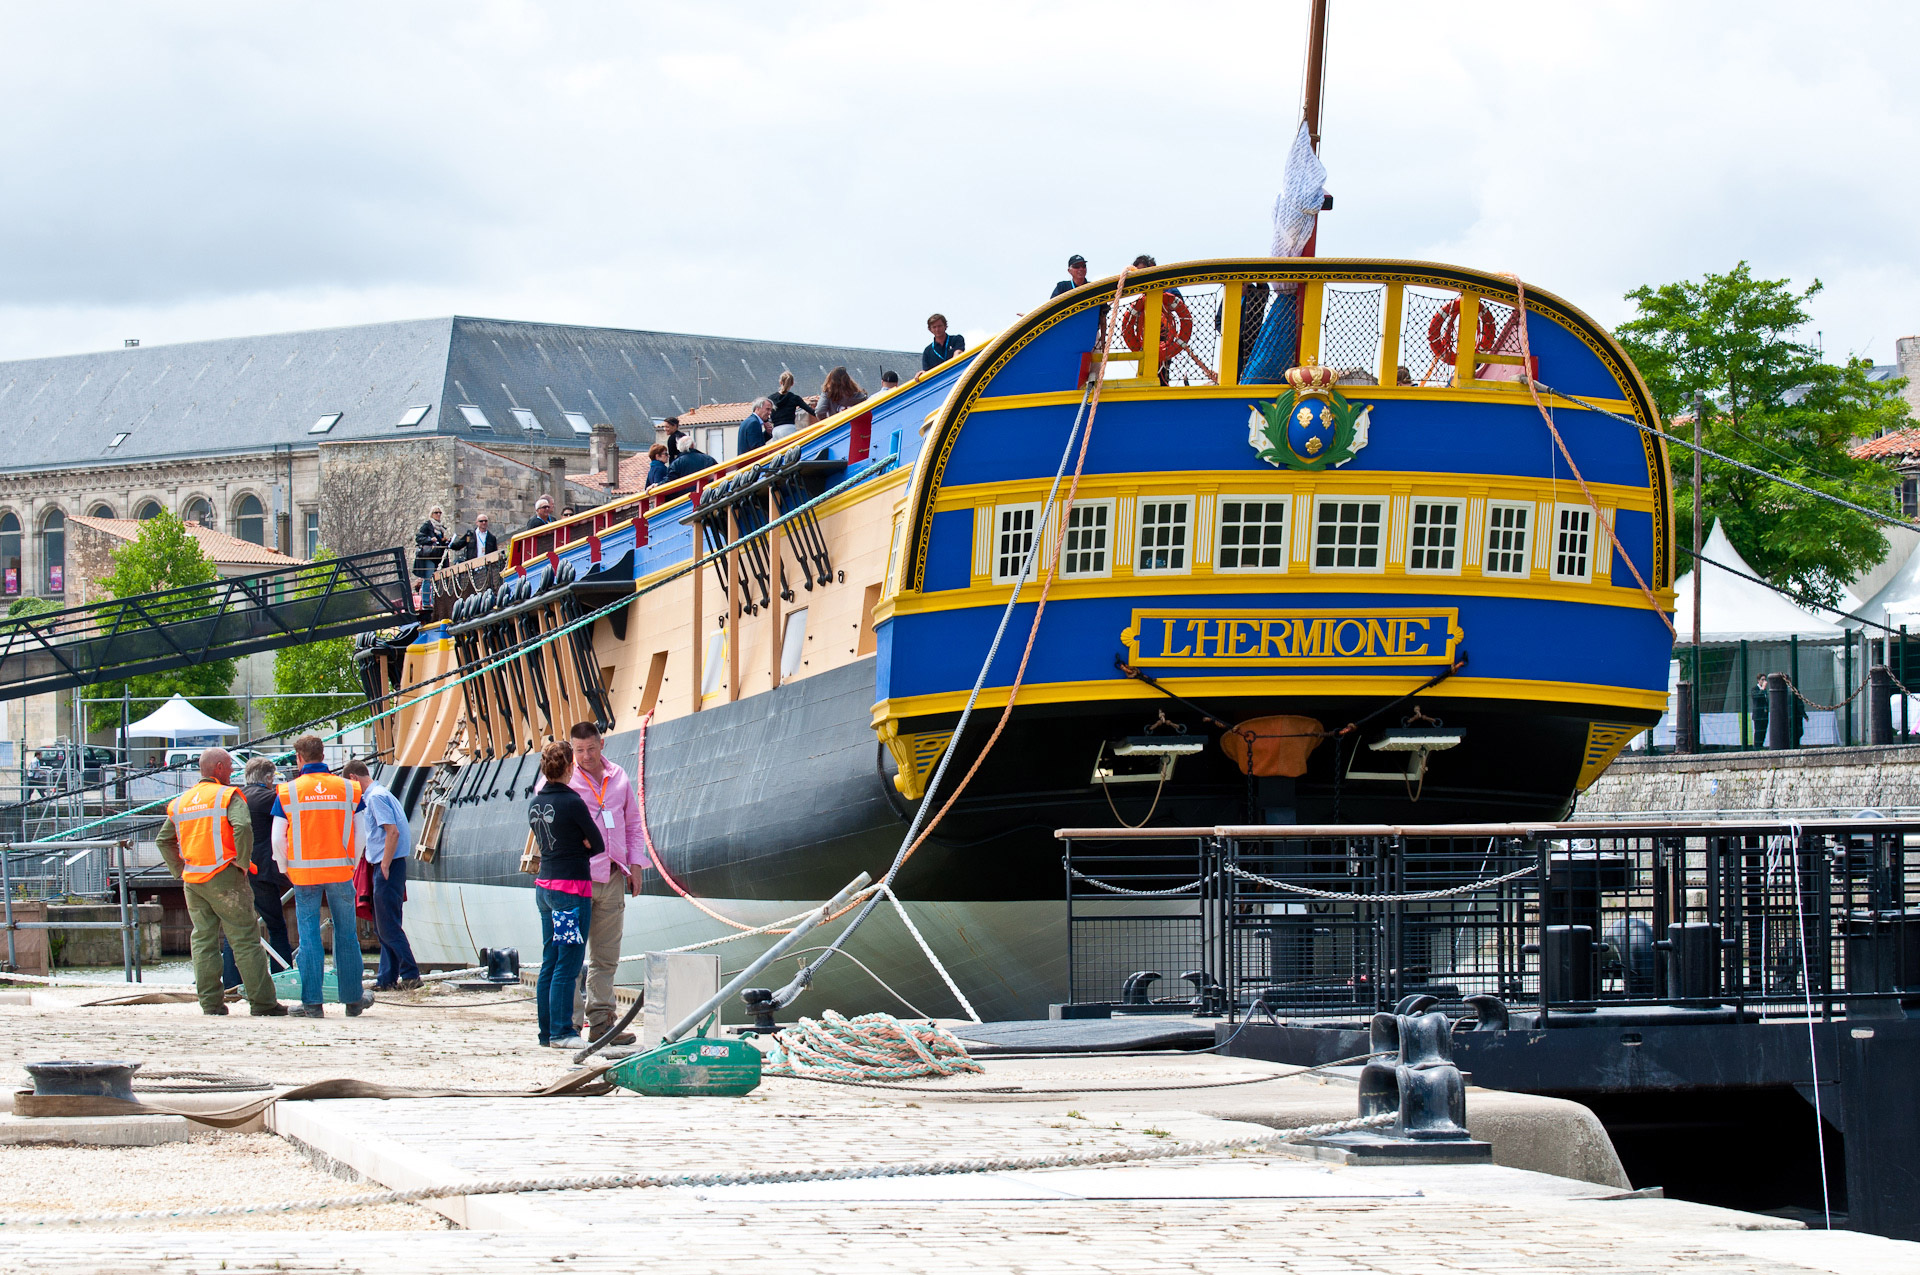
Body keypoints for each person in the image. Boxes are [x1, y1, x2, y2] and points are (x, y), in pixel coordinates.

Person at [158, 748, 285, 1017]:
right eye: (229, 767)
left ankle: (211, 1004)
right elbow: (243, 827)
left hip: (193, 880)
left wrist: (179, 869)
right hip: (225, 874)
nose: (232, 772)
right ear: (217, 768)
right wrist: (241, 861)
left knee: (203, 940)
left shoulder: (181, 802)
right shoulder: (227, 796)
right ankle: (263, 1003)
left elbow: (163, 840)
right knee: (245, 939)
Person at [271, 734, 370, 1019]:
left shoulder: (288, 791)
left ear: (299, 758)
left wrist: (285, 867)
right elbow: (361, 831)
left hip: (305, 875)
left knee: (309, 935)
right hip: (340, 870)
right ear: (323, 754)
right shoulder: (349, 789)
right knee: (347, 933)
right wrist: (352, 862)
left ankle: (313, 1004)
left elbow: (278, 837)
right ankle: (353, 1000)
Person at [565, 721, 643, 1047]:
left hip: (612, 877)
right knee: (569, 953)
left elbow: (633, 823)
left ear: (602, 745)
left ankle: (602, 1024)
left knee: (605, 957)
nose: (585, 756)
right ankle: (566, 1027)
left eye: (591, 749)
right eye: (579, 750)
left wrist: (636, 867)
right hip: (574, 880)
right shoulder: (562, 779)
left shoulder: (620, 777)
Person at [527, 738, 604, 1049]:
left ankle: (546, 1031)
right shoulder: (572, 802)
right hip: (571, 891)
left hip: (545, 887)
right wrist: (581, 846)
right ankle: (563, 1031)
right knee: (568, 962)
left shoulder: (534, 803)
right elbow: (597, 844)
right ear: (570, 767)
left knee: (550, 959)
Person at [341, 759, 420, 992]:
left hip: (388, 865)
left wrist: (384, 864)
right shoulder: (383, 793)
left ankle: (410, 973)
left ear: (354, 778)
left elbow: (392, 832)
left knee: (387, 926)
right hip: (391, 864)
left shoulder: (375, 798)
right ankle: (387, 977)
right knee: (384, 924)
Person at [220, 756, 294, 988]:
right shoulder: (271, 798)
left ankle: (231, 981)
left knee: (237, 927)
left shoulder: (235, 798)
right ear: (269, 778)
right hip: (262, 872)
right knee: (276, 926)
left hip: (235, 870)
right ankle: (282, 976)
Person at [412, 506, 450, 610]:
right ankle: (426, 602)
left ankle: (434, 602)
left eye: (439, 513)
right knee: (428, 578)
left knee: (435, 579)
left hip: (436, 556)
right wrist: (430, 539)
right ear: (431, 514)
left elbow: (439, 541)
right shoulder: (427, 525)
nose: (438, 514)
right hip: (429, 556)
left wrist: (445, 541)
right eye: (436, 512)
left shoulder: (440, 527)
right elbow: (419, 538)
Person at [768, 372, 811, 437]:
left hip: (775, 430)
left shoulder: (770, 398)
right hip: (788, 428)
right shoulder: (794, 398)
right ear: (792, 383)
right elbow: (811, 411)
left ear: (780, 382)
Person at [1751, 673, 1771, 747]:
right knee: (1758, 732)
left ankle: (1761, 745)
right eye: (1762, 679)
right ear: (1758, 680)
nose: (1764, 681)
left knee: (1763, 732)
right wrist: (1762, 688)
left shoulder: (1765, 691)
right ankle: (1756, 747)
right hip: (1758, 715)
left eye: (1765, 680)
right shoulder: (1754, 689)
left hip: (1764, 715)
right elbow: (1757, 697)